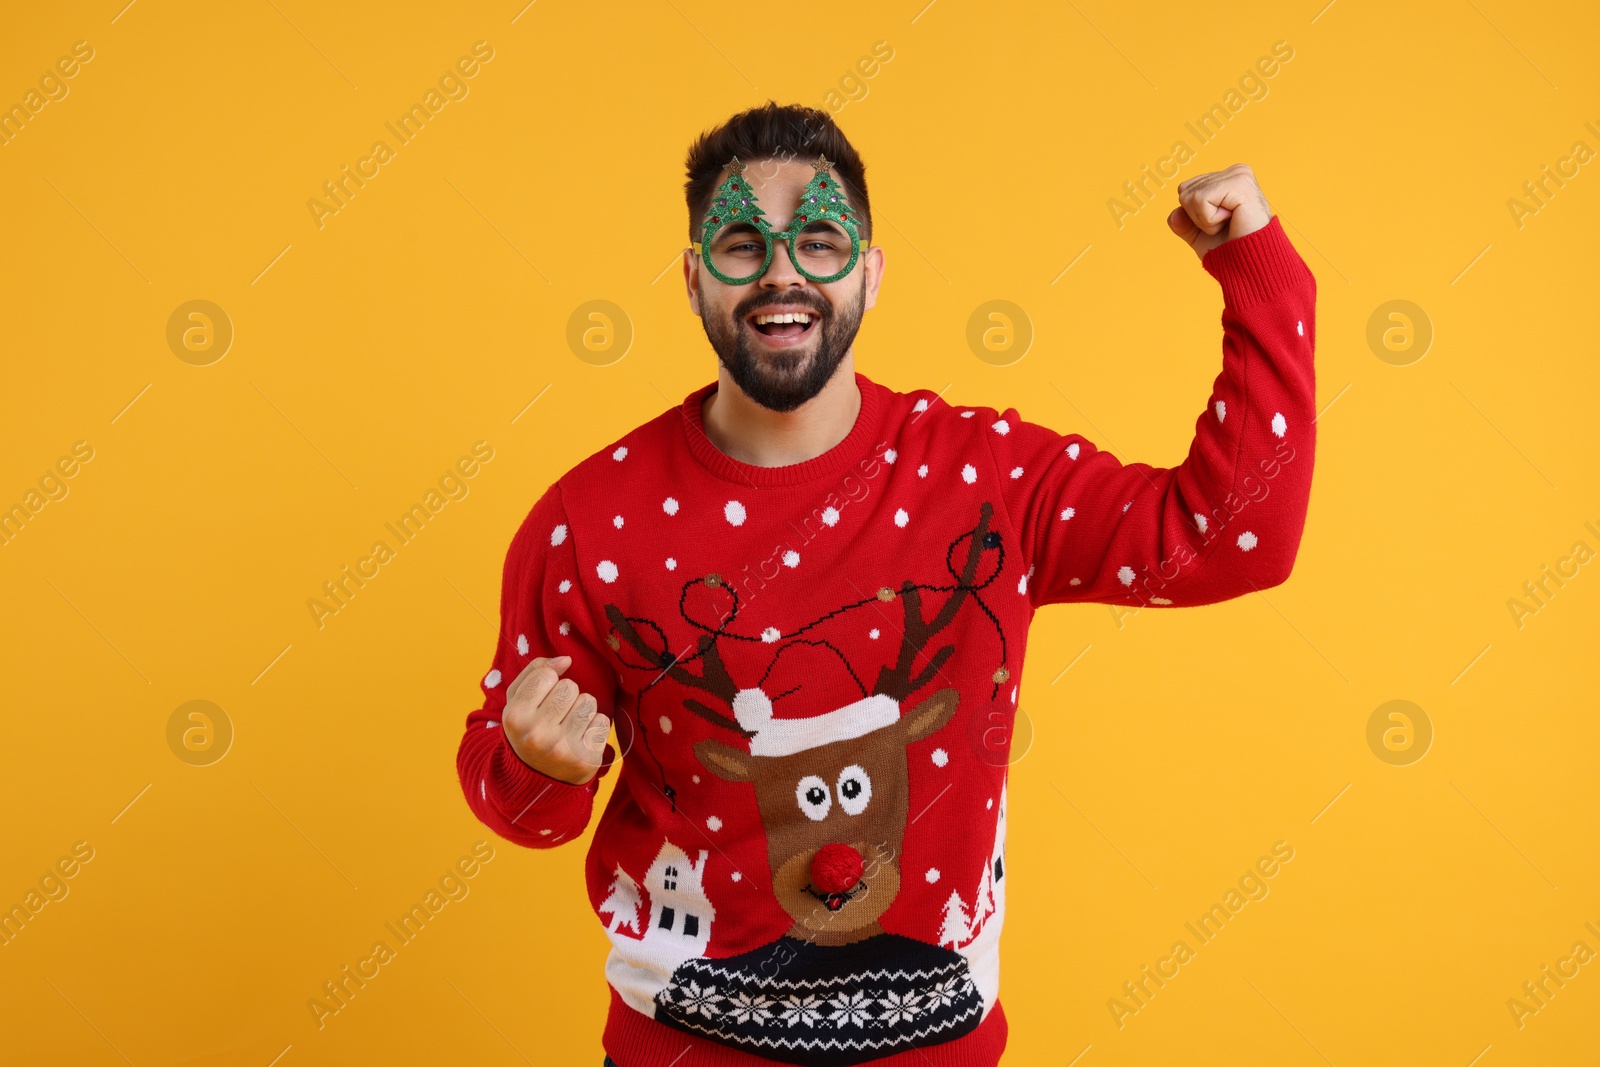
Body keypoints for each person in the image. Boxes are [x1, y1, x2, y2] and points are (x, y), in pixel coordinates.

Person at [455, 101, 1316, 1067]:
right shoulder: (589, 519)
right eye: (743, 244)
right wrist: (542, 766)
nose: (782, 271)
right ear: (694, 277)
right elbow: (522, 810)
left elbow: (1235, 540)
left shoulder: (990, 479)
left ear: (871, 270)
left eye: (819, 241)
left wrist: (1261, 272)